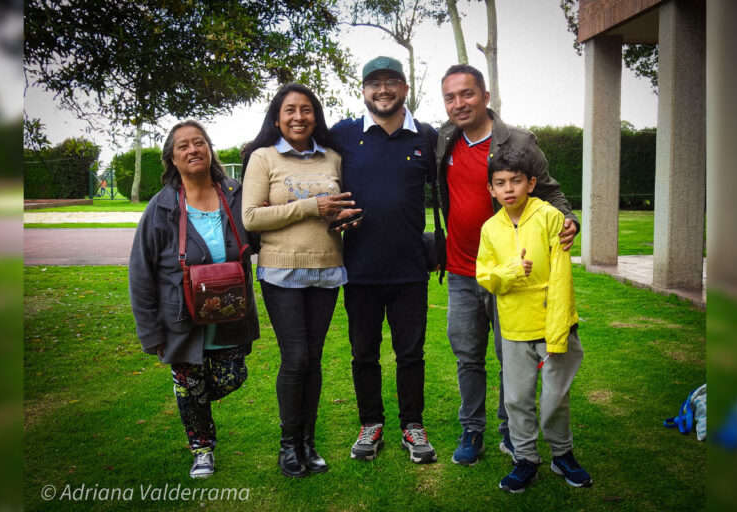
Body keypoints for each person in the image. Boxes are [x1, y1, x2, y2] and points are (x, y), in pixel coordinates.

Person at [435, 64, 579, 466]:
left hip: (515, 276)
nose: (458, 103)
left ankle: (510, 431)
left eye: (466, 94)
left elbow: (551, 191)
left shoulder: (518, 142)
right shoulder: (444, 140)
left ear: (485, 96)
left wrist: (569, 221)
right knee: (467, 356)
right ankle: (472, 428)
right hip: (463, 271)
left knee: (509, 356)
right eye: (450, 97)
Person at [129, 120, 259, 479]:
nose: (192, 150)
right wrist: (151, 333)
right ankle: (202, 449)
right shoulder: (161, 207)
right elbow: (140, 273)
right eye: (183, 146)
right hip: (181, 320)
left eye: (199, 142)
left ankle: (191, 397)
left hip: (231, 314)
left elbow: (262, 232)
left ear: (210, 148)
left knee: (233, 375)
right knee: (190, 382)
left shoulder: (235, 192)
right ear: (172, 157)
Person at [241, 83, 358, 478]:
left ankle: (309, 443)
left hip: (326, 268)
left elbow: (342, 207)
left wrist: (344, 217)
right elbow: (252, 217)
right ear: (277, 118)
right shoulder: (263, 158)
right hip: (281, 271)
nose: (298, 117)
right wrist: (311, 206)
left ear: (315, 116)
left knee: (315, 358)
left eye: (306, 109)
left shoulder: (333, 158)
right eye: (289, 110)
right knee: (296, 358)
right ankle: (288, 446)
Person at [331, 56, 438, 464]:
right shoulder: (342, 134)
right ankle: (370, 424)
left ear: (405, 89)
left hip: (410, 268)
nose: (383, 90)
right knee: (364, 354)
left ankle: (413, 425)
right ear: (363, 90)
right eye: (373, 83)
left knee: (411, 354)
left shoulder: (425, 137)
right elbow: (300, 156)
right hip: (359, 269)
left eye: (392, 81)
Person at [476, 145, 591, 492]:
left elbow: (560, 279)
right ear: (491, 189)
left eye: (516, 181)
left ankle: (562, 454)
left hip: (554, 327)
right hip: (513, 329)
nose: (508, 189)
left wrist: (557, 334)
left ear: (531, 183)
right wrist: (511, 271)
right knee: (516, 399)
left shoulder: (549, 217)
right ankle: (525, 458)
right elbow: (486, 276)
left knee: (556, 397)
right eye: (500, 182)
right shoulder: (490, 229)